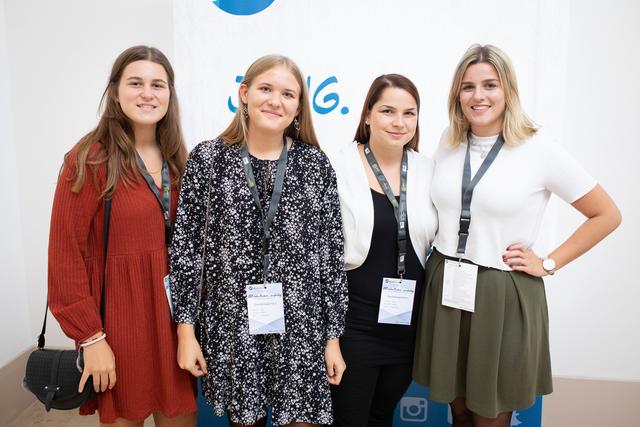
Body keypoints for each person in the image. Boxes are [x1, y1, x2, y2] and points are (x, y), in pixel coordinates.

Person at [412, 44, 622, 427]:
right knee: (457, 411)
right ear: (456, 94)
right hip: (446, 284)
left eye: (490, 85)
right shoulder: (450, 139)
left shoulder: (538, 147)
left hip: (501, 292)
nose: (479, 96)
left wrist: (549, 262)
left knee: (489, 412)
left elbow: (607, 214)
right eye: (468, 86)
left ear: (508, 89)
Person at [169, 54, 348, 427]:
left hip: (301, 327)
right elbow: (187, 252)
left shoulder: (315, 165)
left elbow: (330, 257)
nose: (275, 100)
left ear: (299, 107)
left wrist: (332, 337)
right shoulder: (209, 159)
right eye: (265, 89)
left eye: (288, 94)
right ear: (245, 93)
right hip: (233, 324)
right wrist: (185, 329)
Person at [48, 46, 197, 426]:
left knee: (181, 418)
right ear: (115, 91)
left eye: (157, 85)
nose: (148, 93)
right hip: (119, 322)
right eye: (135, 83)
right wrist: (91, 339)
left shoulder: (180, 158)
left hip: (176, 321)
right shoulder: (88, 159)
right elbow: (64, 258)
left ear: (169, 94)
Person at [327, 74, 437, 427]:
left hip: (406, 325)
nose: (399, 122)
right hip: (354, 325)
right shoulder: (337, 166)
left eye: (409, 113)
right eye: (388, 110)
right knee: (350, 420)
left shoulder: (428, 171)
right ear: (368, 115)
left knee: (381, 417)